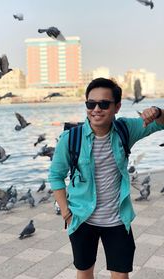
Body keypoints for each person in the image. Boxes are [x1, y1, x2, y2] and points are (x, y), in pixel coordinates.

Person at [48, 78, 164, 279]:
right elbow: (56, 176)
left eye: (104, 104)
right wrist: (66, 212)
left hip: (117, 219)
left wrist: (158, 112)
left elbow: (160, 125)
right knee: (84, 271)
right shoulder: (70, 139)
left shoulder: (125, 130)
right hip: (82, 218)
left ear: (117, 107)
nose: (96, 109)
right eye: (90, 104)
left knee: (121, 274)